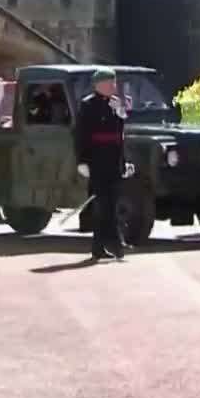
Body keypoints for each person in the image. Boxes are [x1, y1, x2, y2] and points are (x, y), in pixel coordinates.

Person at [75, 67, 135, 262]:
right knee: (103, 206)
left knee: (111, 204)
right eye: (110, 83)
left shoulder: (115, 104)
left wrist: (123, 161)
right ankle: (114, 244)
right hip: (97, 161)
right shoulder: (88, 105)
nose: (113, 86)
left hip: (113, 161)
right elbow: (81, 135)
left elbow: (120, 137)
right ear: (99, 85)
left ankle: (100, 247)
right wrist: (82, 160)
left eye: (114, 82)